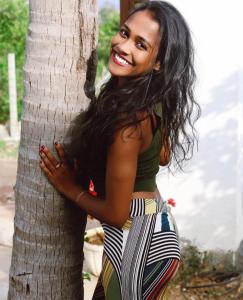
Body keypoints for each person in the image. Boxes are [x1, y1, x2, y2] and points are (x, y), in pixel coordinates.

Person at [39, 1, 200, 299]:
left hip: (135, 240)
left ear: (157, 63)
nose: (123, 46)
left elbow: (116, 213)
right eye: (124, 33)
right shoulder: (153, 99)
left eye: (140, 44)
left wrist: (69, 188)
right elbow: (161, 158)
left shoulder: (127, 122)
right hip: (159, 226)